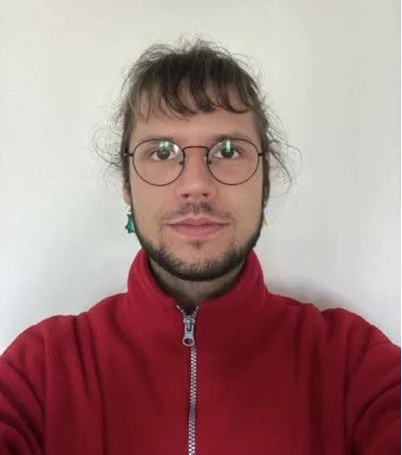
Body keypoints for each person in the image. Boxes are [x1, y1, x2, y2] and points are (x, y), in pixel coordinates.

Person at [0, 40, 399, 455]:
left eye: (228, 150)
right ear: (126, 185)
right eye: (161, 152)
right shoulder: (39, 374)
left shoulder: (354, 365)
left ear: (264, 181)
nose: (195, 184)